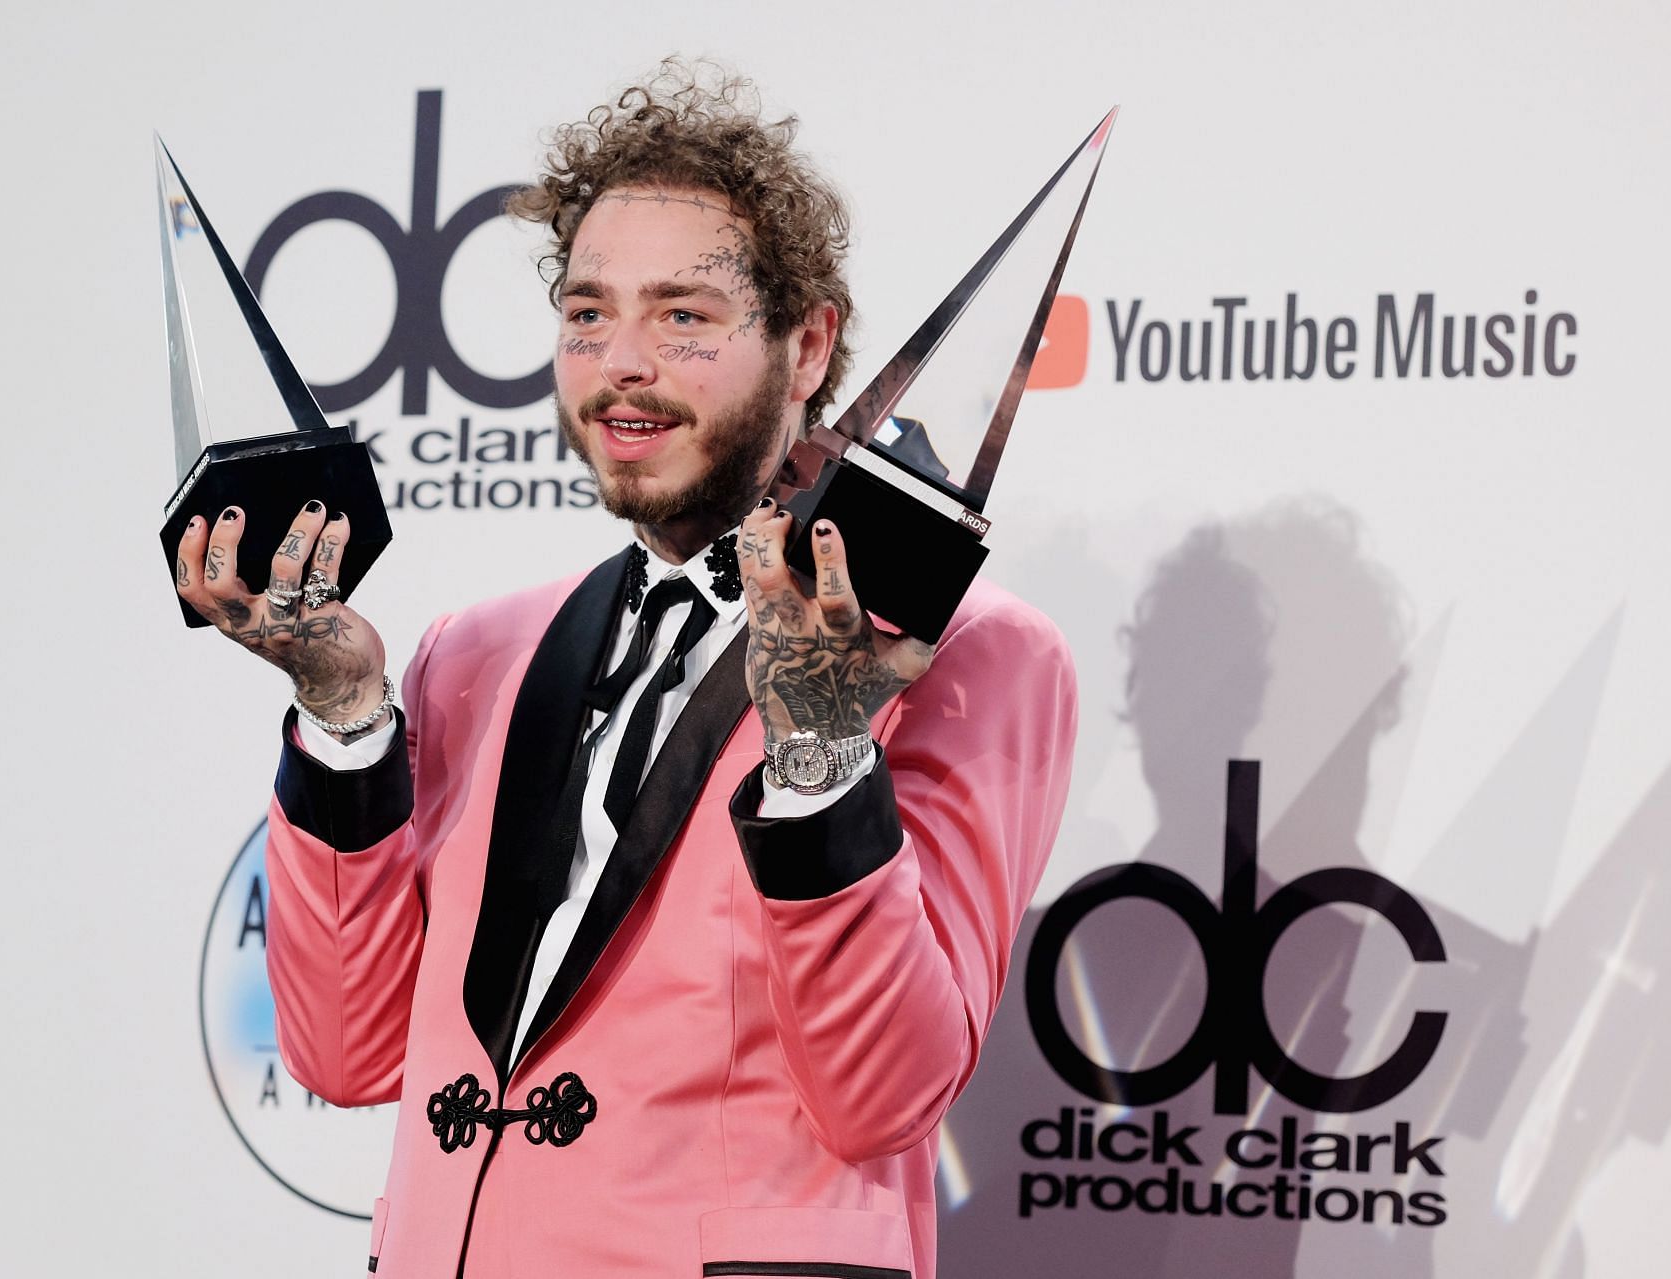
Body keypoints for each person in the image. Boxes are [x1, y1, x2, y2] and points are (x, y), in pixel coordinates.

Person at [173, 62, 1077, 1279]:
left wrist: (817, 743)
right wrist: (341, 713)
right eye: (588, 313)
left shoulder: (967, 656)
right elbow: (345, 1054)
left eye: (684, 315)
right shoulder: (469, 651)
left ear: (807, 346)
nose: (622, 363)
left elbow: (885, 1095)